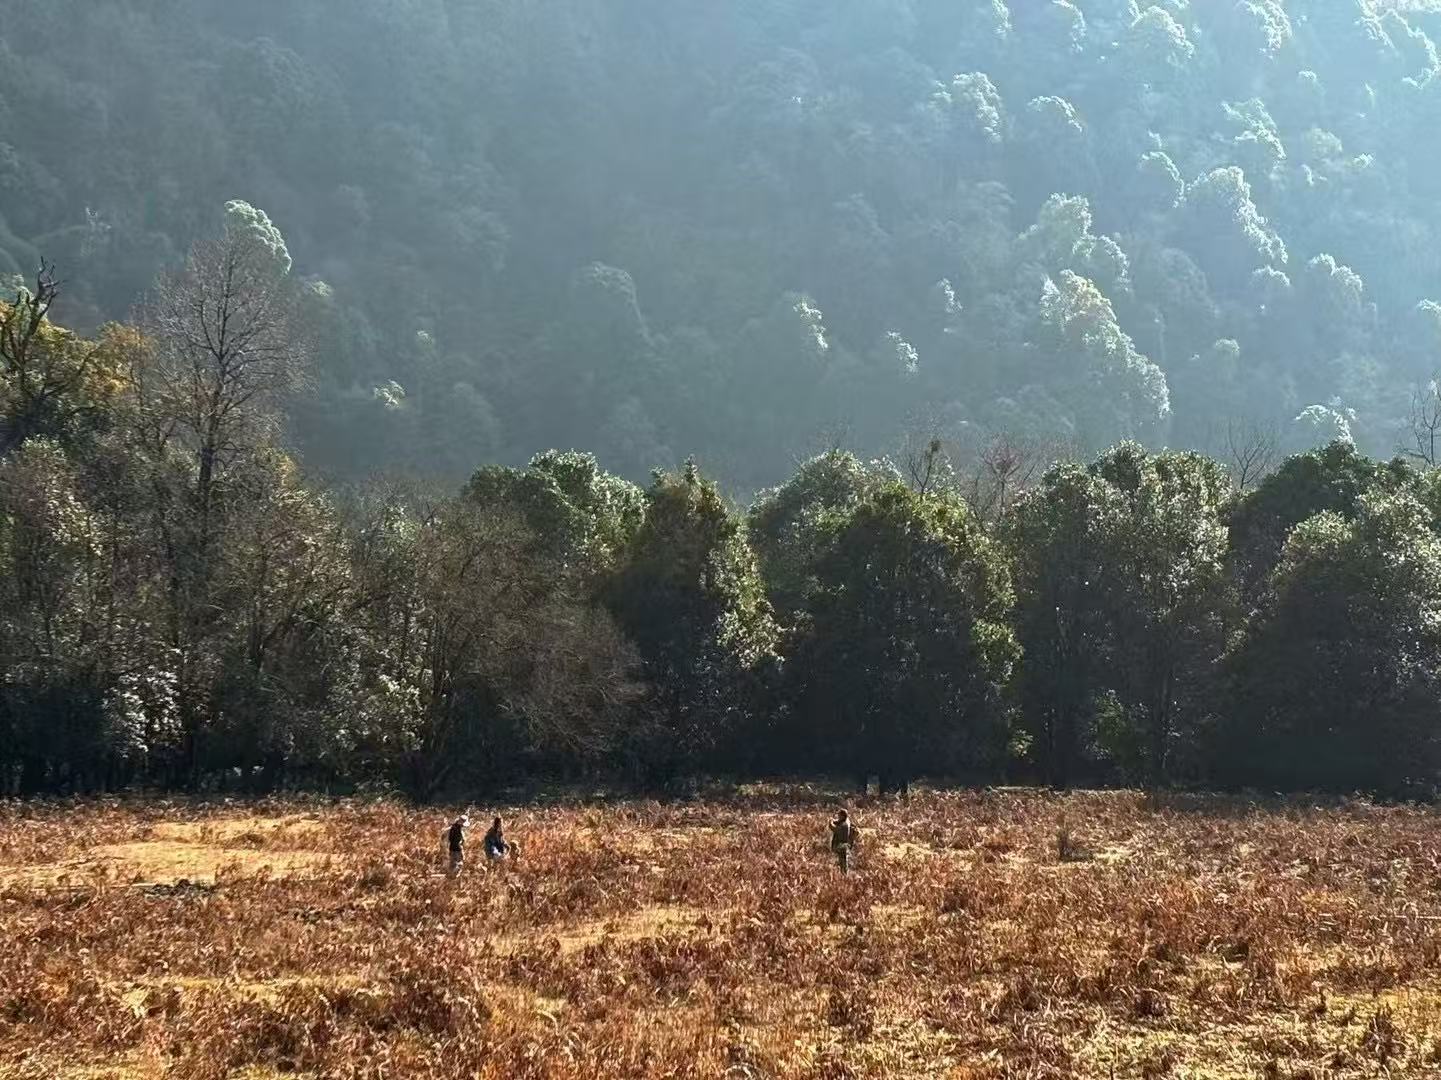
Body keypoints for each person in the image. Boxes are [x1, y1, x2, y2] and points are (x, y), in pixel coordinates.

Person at [831, 808, 857, 873]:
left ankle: (845, 876)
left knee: (843, 863)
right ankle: (844, 876)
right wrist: (833, 820)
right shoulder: (846, 821)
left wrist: (830, 823)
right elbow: (838, 821)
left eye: (839, 815)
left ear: (842, 816)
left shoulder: (844, 825)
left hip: (842, 845)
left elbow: (834, 829)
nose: (838, 817)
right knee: (843, 862)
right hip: (844, 845)